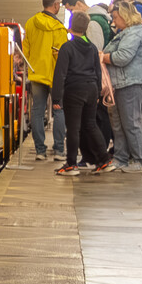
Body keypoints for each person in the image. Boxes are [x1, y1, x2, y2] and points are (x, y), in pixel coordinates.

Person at [51, 12, 107, 176]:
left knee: (73, 128)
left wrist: (56, 97)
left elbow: (60, 74)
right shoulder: (92, 48)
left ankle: (71, 164)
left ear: (70, 26)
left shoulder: (67, 47)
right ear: (86, 28)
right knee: (91, 125)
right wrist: (96, 93)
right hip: (91, 89)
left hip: (74, 90)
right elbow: (98, 72)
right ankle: (104, 160)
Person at [100, 0, 142, 173]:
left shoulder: (136, 33)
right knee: (118, 123)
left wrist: (104, 57)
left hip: (132, 83)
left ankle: (141, 161)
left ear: (125, 16)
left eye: (115, 17)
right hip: (120, 84)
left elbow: (122, 57)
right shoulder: (125, 33)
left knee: (131, 122)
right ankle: (120, 158)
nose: (114, 22)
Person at [63, 0, 115, 154]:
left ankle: (99, 154)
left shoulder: (92, 22)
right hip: (94, 77)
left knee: (96, 119)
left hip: (93, 77)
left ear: (78, 4)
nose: (72, 14)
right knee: (95, 119)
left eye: (71, 10)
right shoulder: (98, 19)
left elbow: (96, 51)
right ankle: (99, 154)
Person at [22, 0, 68, 162]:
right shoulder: (59, 28)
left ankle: (40, 151)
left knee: (37, 111)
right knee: (59, 110)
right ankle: (58, 151)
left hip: (36, 73)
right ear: (55, 5)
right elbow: (63, 55)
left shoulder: (31, 23)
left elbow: (25, 49)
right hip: (55, 75)